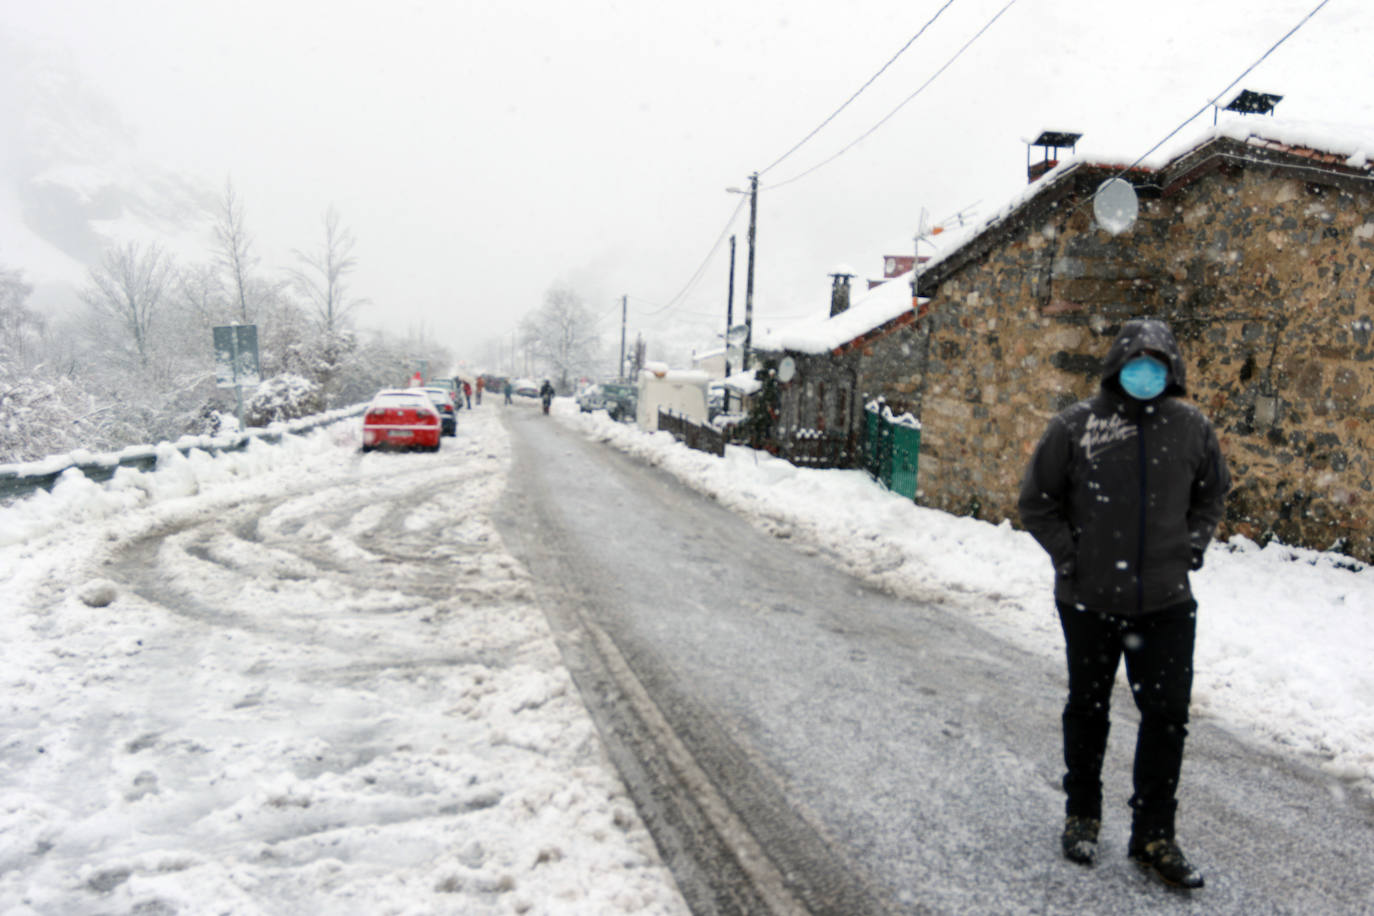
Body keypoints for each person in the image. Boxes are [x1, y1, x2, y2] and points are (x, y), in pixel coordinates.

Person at [1017, 318, 1229, 889]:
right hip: (1089, 599)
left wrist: (1191, 545)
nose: (1146, 373)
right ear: (1116, 366)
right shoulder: (1076, 426)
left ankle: (1154, 834)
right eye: (1136, 362)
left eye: (1157, 365)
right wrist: (1072, 559)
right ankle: (1082, 815)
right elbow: (1037, 502)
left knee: (1167, 717)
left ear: (1172, 371)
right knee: (1088, 708)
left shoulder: (1191, 428)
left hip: (1166, 600)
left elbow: (1212, 494)